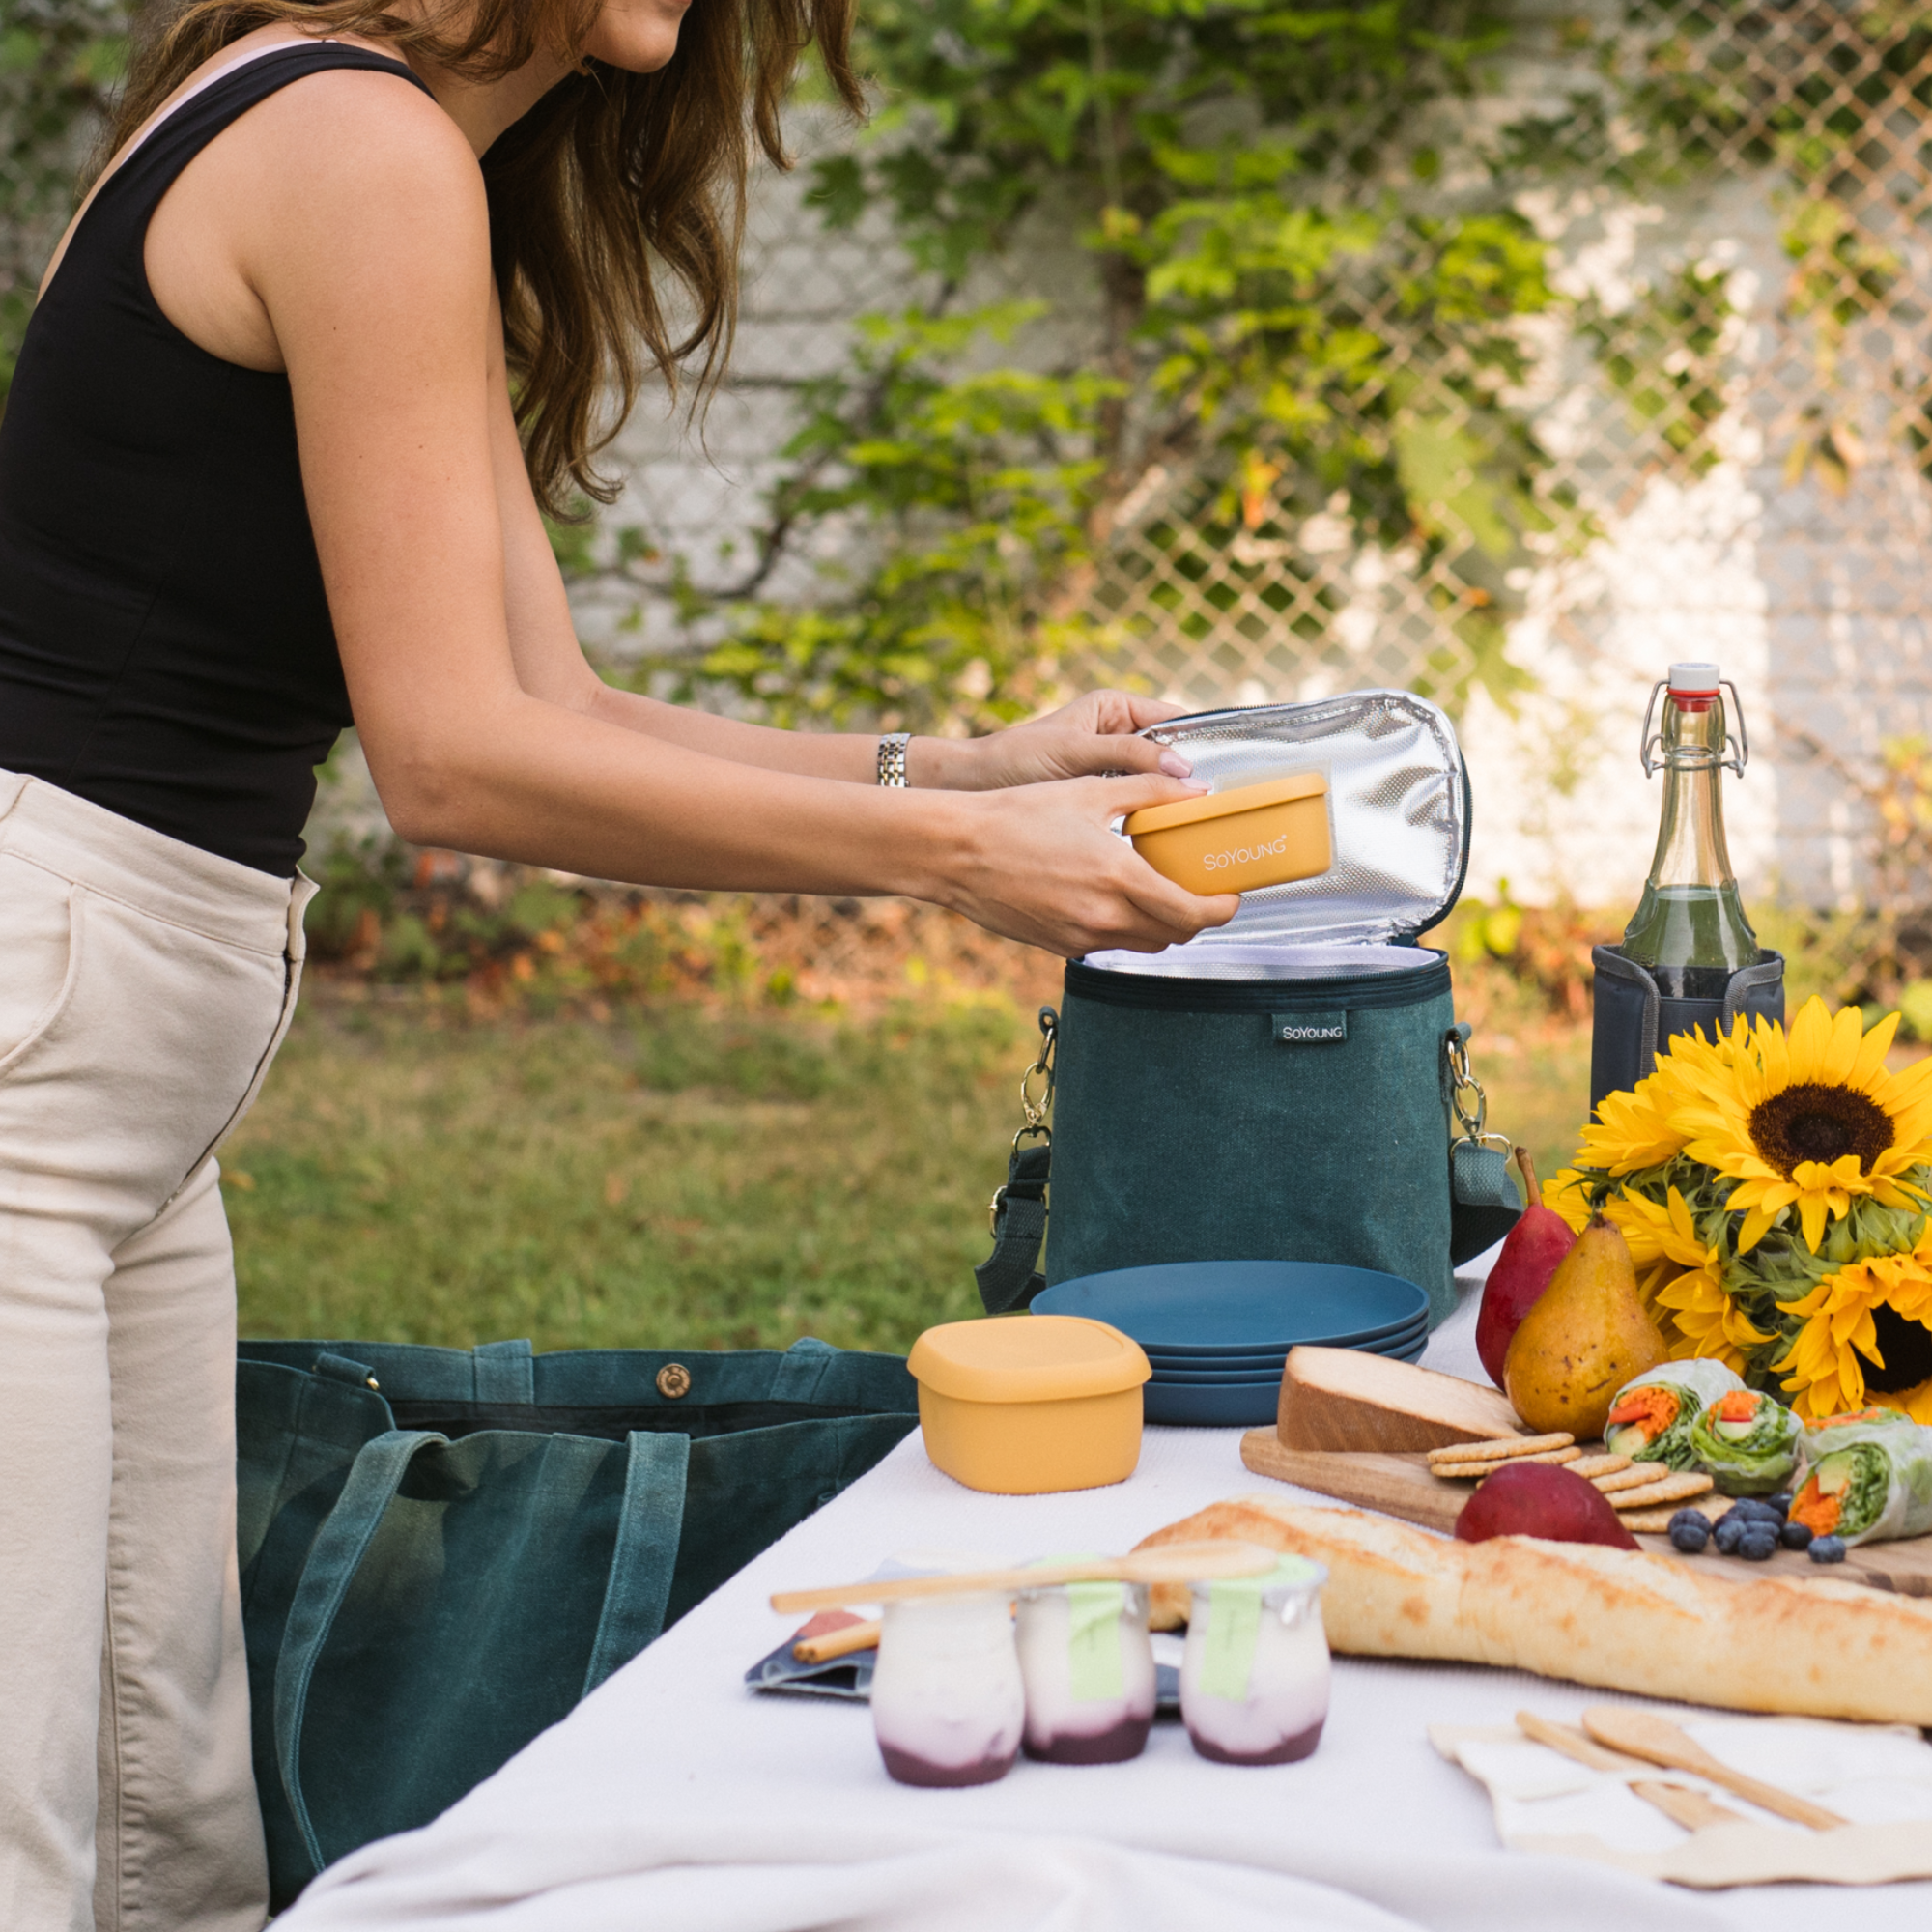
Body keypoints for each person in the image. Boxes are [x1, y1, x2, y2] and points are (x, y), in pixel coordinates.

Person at [0, 0, 1236, 1924]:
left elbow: (548, 697)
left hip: (114, 1072)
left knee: (174, 1834)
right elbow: (456, 760)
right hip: (37, 1034)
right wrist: (948, 857)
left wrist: (957, 772)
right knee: (29, 1824)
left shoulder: (394, 153)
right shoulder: (355, 143)